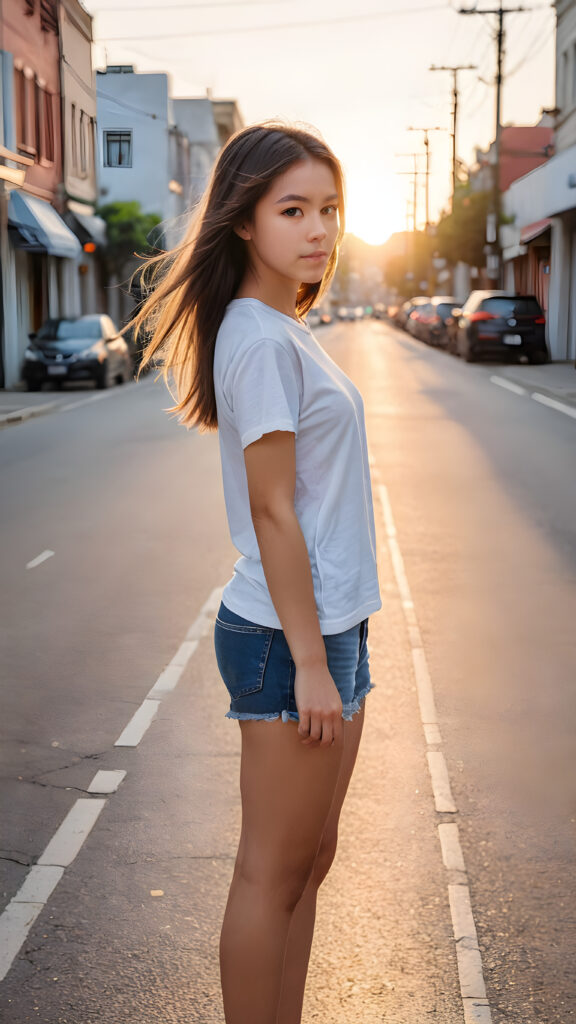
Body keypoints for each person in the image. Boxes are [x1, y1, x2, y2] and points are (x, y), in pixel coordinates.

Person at [129, 121, 382, 1024]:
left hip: (331, 625)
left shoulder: (283, 327)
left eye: (329, 209)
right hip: (288, 640)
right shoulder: (261, 340)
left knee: (309, 861)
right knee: (270, 871)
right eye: (293, 210)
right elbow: (273, 511)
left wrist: (333, 646)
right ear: (244, 219)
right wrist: (312, 662)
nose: (318, 229)